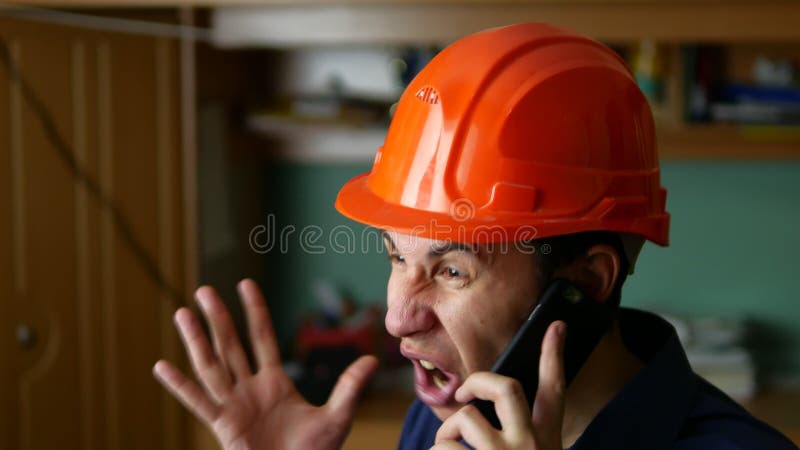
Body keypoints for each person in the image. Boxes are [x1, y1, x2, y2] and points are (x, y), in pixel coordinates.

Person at [153, 23, 798, 450]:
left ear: (585, 283)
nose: (398, 320)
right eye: (395, 255)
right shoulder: (445, 419)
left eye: (452, 270)